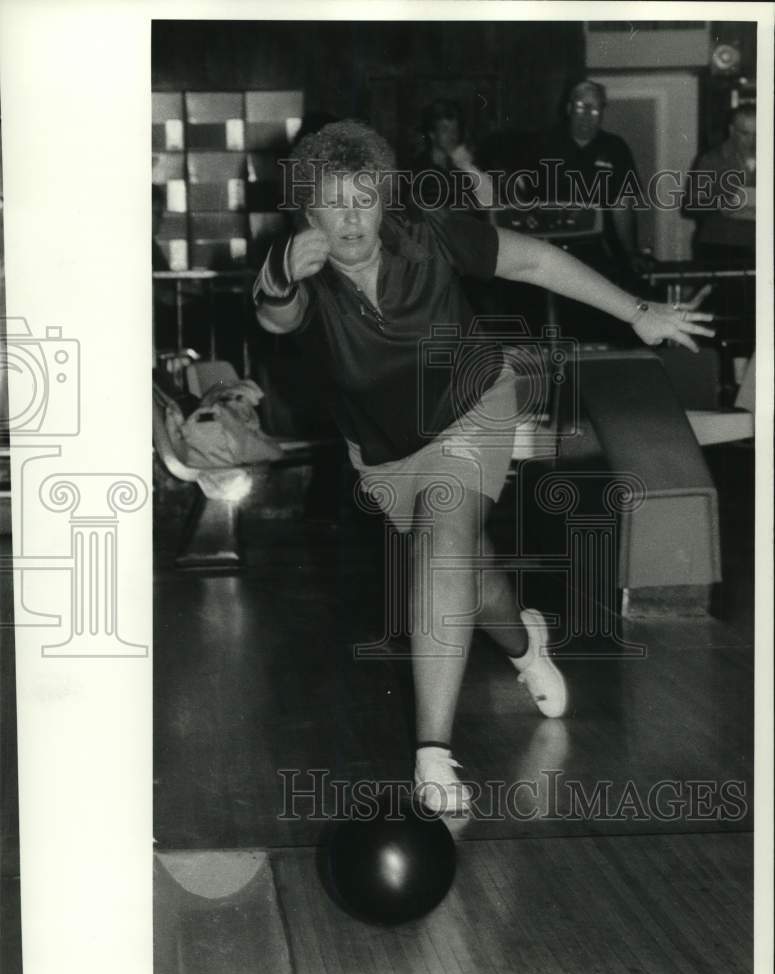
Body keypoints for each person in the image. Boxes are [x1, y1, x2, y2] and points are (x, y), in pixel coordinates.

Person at [253, 120, 714, 814]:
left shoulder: (428, 233)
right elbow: (275, 319)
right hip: (383, 450)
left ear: (384, 199)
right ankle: (524, 641)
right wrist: (279, 269)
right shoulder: (298, 270)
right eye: (332, 200)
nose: (350, 216)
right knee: (467, 567)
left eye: (365, 197)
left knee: (442, 541)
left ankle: (432, 757)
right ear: (307, 209)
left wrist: (637, 311)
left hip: (471, 401)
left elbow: (531, 261)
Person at [536, 79, 649, 282]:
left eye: (595, 109)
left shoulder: (615, 148)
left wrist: (631, 253)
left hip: (602, 253)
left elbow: (622, 206)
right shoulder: (544, 145)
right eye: (581, 107)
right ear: (569, 108)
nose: (587, 115)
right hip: (553, 254)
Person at [683, 104, 756, 264]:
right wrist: (720, 204)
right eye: (745, 134)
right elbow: (690, 206)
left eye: (758, 134)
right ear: (732, 131)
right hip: (720, 245)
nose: (753, 141)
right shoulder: (711, 160)